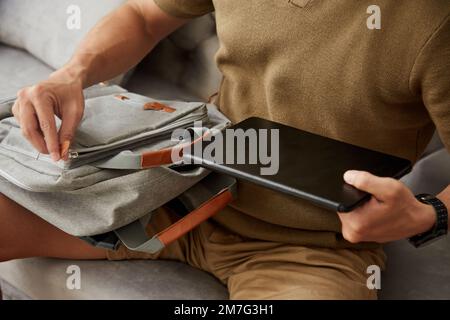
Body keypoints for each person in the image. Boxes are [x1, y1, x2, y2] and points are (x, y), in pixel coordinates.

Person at [1, 0, 449, 299]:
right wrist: (72, 73)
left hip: (312, 247)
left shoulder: (432, 21)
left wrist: (430, 213)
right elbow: (144, 15)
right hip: (170, 187)